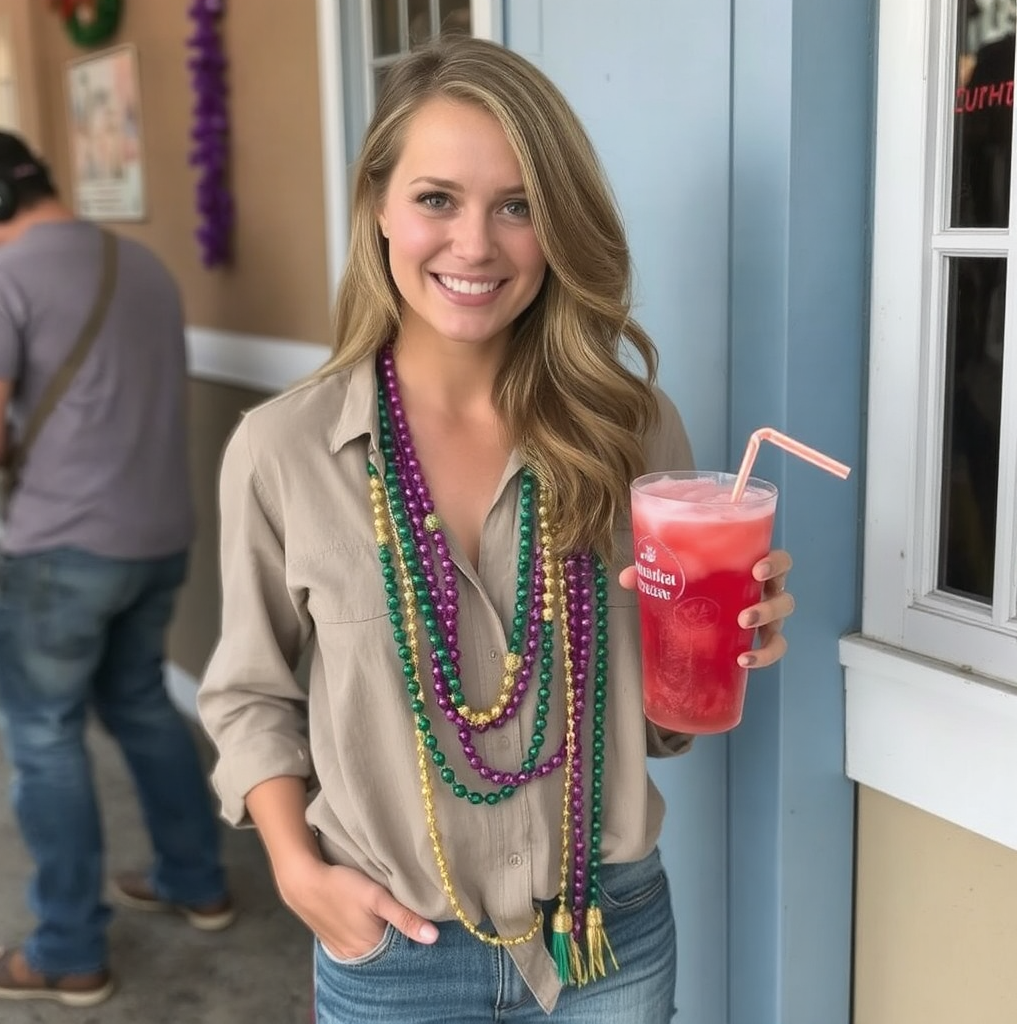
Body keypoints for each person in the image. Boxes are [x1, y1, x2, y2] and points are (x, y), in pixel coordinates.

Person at [197, 37, 794, 1023]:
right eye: (437, 198)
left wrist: (720, 646)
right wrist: (298, 872)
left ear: (556, 227)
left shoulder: (632, 431)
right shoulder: (281, 449)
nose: (475, 243)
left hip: (607, 936)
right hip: (394, 951)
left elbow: (653, 723)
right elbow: (249, 694)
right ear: (380, 208)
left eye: (517, 205)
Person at [0, 131, 234, 1009]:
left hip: (61, 551)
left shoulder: (5, 280)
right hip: (159, 536)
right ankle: (195, 878)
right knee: (138, 701)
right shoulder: (145, 266)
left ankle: (66, 948)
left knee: (44, 735)